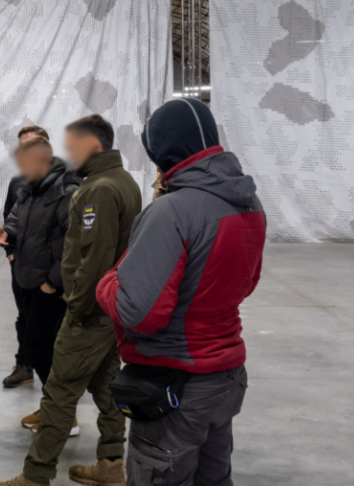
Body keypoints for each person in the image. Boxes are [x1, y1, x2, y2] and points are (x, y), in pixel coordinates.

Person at [96, 99, 266, 486]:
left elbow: (141, 312)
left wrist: (106, 284)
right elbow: (248, 282)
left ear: (162, 149)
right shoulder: (249, 202)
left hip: (176, 388)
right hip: (226, 378)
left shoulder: (171, 212)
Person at [0, 114, 141, 486]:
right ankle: (110, 462)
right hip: (109, 308)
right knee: (107, 386)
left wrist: (75, 308)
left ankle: (36, 475)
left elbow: (92, 259)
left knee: (58, 393)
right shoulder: (121, 181)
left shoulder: (98, 190)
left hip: (90, 312)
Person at [0, 136, 79, 404]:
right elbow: (17, 218)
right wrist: (9, 232)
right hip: (28, 278)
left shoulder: (68, 191)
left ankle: (61, 410)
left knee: (39, 347)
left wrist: (52, 282)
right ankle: (55, 408)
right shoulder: (29, 188)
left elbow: (73, 242)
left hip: (50, 285)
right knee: (39, 345)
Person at [2, 125, 51, 389]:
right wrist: (10, 253)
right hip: (21, 265)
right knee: (24, 316)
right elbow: (10, 219)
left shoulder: (64, 183)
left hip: (48, 268)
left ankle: (54, 375)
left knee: (49, 320)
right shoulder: (18, 182)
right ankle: (25, 366)